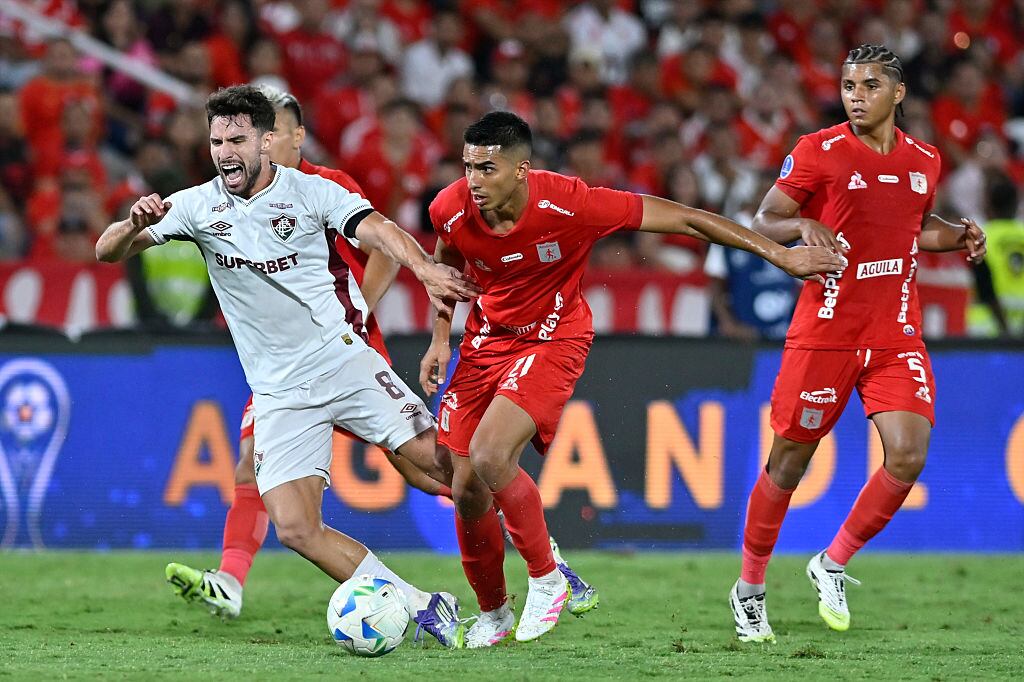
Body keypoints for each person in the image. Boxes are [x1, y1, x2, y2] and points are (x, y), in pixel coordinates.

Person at [421, 111, 842, 647]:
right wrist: (440, 337)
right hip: (485, 341)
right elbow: (446, 265)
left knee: (490, 455)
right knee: (465, 490)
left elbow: (685, 219)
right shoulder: (450, 207)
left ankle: (548, 578)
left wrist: (779, 254)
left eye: (487, 168)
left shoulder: (569, 202)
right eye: (468, 167)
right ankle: (494, 613)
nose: (474, 181)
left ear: (522, 169)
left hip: (553, 337)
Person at [96, 85, 482, 648]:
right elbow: (106, 251)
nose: (225, 152)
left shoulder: (310, 192)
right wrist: (132, 224)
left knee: (442, 466)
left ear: (266, 141)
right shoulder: (198, 206)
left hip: (342, 361)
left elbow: (378, 230)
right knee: (297, 528)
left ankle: (540, 557)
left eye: (236, 140)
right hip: (278, 392)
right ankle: (424, 606)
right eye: (216, 141)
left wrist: (423, 268)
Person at [728, 45, 987, 644]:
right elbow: (765, 216)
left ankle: (833, 561)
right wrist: (801, 225)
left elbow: (917, 227)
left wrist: (961, 235)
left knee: (909, 453)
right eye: (848, 85)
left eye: (870, 85)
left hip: (896, 332)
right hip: (826, 334)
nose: (855, 95)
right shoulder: (817, 151)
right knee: (788, 461)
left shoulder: (925, 158)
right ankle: (749, 589)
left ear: (897, 94)